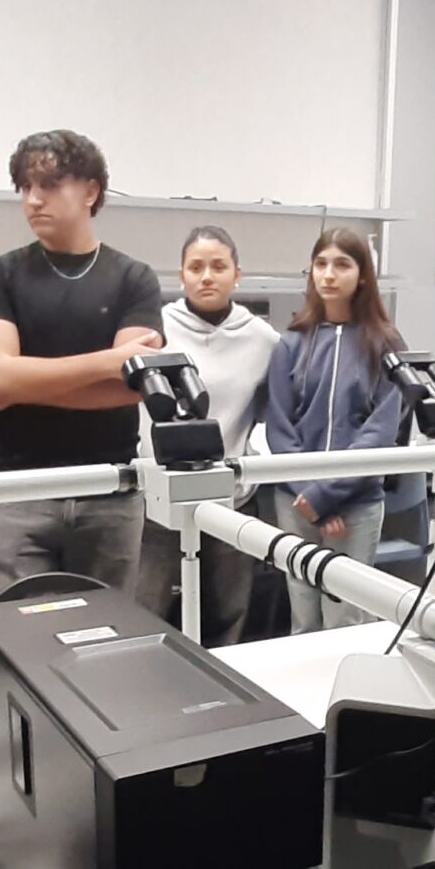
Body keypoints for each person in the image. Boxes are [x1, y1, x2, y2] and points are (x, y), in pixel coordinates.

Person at [0, 129, 165, 597]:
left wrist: (20, 387)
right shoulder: (1, 275)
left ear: (90, 191)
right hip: (22, 493)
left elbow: (130, 388)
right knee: (17, 634)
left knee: (107, 634)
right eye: (25, 187)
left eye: (50, 185)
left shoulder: (134, 279)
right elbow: (0, 377)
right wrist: (111, 361)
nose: (33, 200)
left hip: (110, 494)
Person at [131, 226, 281, 644]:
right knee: (144, 609)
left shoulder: (264, 340)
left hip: (229, 498)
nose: (207, 277)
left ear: (237, 274)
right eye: (196, 267)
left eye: (218, 266)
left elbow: (274, 412)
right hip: (157, 500)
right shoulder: (153, 331)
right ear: (181, 275)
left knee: (228, 613)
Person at [264, 228, 407, 633]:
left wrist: (327, 496)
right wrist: (310, 496)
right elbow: (279, 428)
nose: (328, 274)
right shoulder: (291, 343)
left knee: (345, 618)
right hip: (295, 501)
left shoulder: (386, 344)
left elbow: (381, 431)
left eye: (342, 264)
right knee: (304, 617)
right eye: (321, 264)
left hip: (356, 504)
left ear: (362, 275)